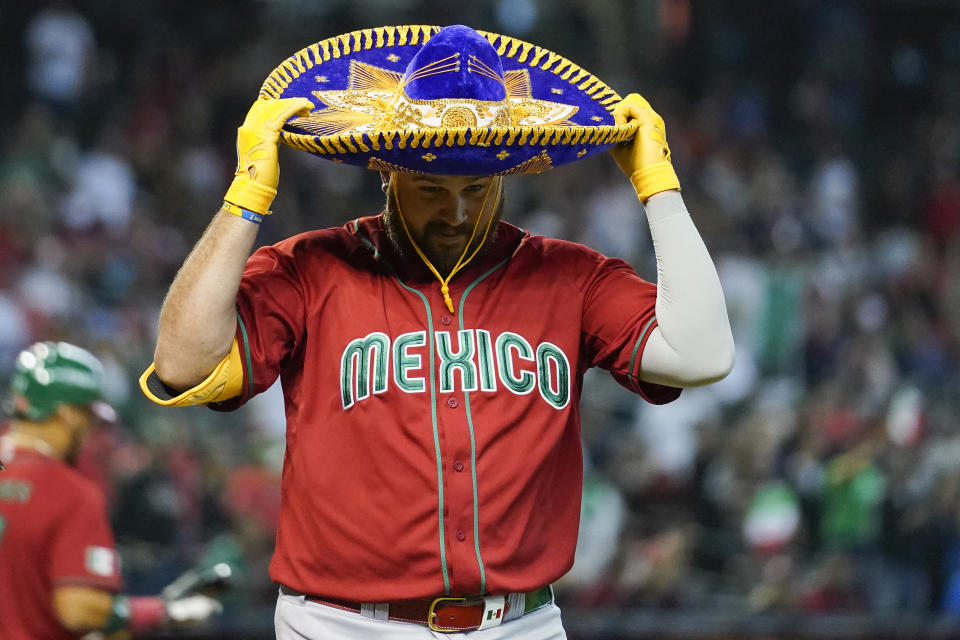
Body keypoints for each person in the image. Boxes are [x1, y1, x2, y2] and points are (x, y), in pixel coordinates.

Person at [140, 24, 735, 638]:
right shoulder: (311, 269)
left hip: (520, 624)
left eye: (475, 189)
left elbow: (701, 355)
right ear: (387, 173)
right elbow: (184, 362)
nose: (455, 212)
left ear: (503, 177)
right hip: (343, 625)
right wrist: (247, 197)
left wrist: (659, 190)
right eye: (430, 187)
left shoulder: (569, 276)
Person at [0, 341, 223, 639]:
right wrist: (161, 611)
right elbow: (77, 609)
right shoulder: (69, 493)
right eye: (87, 417)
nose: (89, 430)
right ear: (66, 414)